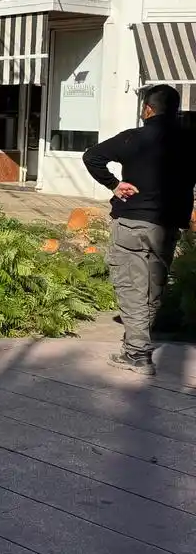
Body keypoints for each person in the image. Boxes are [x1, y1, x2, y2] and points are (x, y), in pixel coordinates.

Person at [82, 84, 196, 375]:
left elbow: (92, 156)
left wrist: (114, 185)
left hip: (132, 222)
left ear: (147, 109)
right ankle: (136, 343)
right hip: (167, 226)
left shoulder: (134, 138)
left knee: (132, 287)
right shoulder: (189, 141)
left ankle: (136, 354)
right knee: (152, 288)